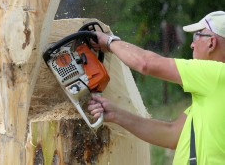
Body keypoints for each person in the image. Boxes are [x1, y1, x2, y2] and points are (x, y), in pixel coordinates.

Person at [88, 11, 225, 164]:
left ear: (211, 42)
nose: (192, 44)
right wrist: (115, 114)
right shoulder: (212, 92)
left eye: (197, 36)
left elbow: (146, 64)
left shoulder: (217, 75)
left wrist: (108, 42)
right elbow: (171, 134)